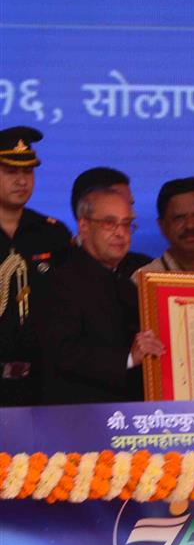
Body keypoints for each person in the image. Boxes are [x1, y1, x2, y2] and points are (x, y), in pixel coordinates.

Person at [40, 186, 162, 403]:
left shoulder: (128, 284)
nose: (120, 232)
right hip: (78, 418)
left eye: (126, 224)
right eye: (109, 223)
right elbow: (63, 352)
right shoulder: (61, 281)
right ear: (84, 226)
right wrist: (127, 358)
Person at [0, 126, 73, 405]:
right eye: (10, 172)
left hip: (43, 385)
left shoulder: (52, 235)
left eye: (28, 172)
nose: (21, 181)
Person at [69, 166, 151, 277]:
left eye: (130, 204)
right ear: (84, 224)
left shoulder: (144, 271)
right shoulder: (56, 269)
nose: (132, 214)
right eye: (109, 222)